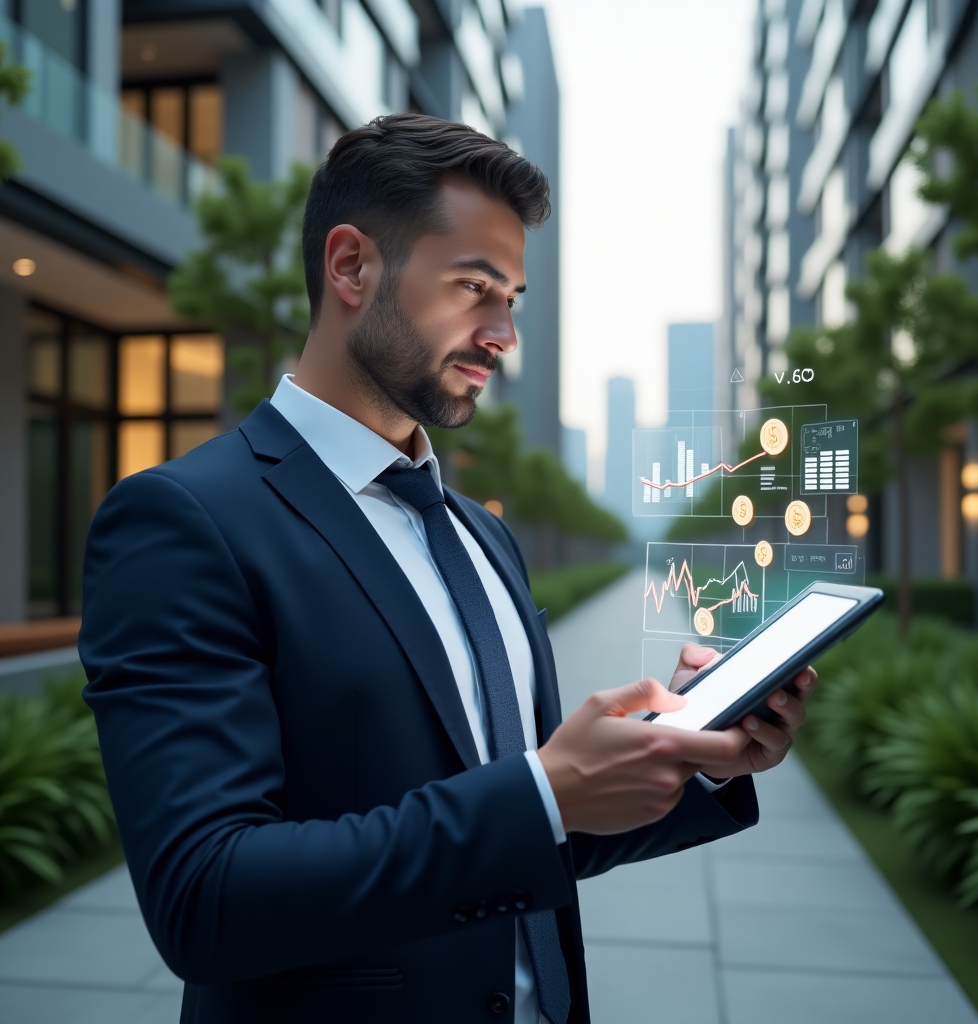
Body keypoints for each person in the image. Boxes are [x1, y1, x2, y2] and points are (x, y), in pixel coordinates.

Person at [79, 113, 816, 1024]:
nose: (502, 334)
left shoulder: (482, 535)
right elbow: (205, 896)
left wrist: (694, 756)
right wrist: (544, 792)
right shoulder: (185, 521)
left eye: (511, 298)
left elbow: (537, 821)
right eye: (474, 288)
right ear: (351, 267)